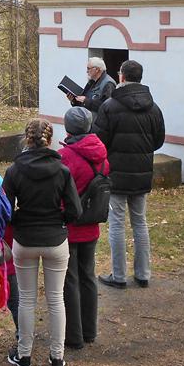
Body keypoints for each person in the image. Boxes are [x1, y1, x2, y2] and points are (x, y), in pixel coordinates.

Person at [2, 119, 81, 366]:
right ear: (49, 138)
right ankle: (57, 358)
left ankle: (24, 356)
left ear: (27, 138)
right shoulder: (62, 170)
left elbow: (5, 209)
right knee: (56, 299)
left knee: (26, 299)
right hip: (55, 238)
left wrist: (19, 219)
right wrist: (58, 220)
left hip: (24, 240)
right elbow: (75, 210)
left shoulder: (15, 170)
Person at [95, 60, 165, 290]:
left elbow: (99, 140)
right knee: (140, 222)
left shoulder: (109, 106)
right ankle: (143, 274)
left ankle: (119, 275)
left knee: (116, 224)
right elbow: (158, 141)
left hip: (116, 173)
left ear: (122, 76)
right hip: (142, 173)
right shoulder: (153, 108)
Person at [58, 106, 108, 349]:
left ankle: (74, 336)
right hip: (92, 223)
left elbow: (60, 192)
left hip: (71, 225)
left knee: (71, 279)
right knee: (88, 276)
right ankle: (90, 330)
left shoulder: (66, 156)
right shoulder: (100, 153)